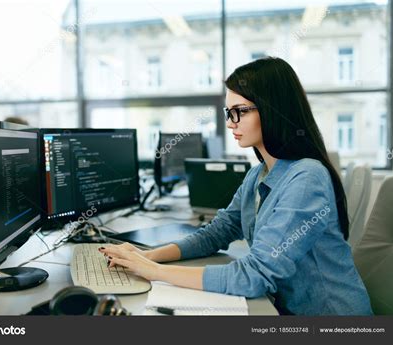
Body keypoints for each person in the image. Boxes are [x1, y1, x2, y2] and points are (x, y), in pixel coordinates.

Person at [100, 57, 372, 315]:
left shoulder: (307, 178)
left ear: (273, 110)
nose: (231, 123)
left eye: (239, 112)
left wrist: (152, 271)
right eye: (228, 113)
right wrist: (147, 255)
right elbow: (215, 234)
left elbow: (255, 275)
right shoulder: (259, 174)